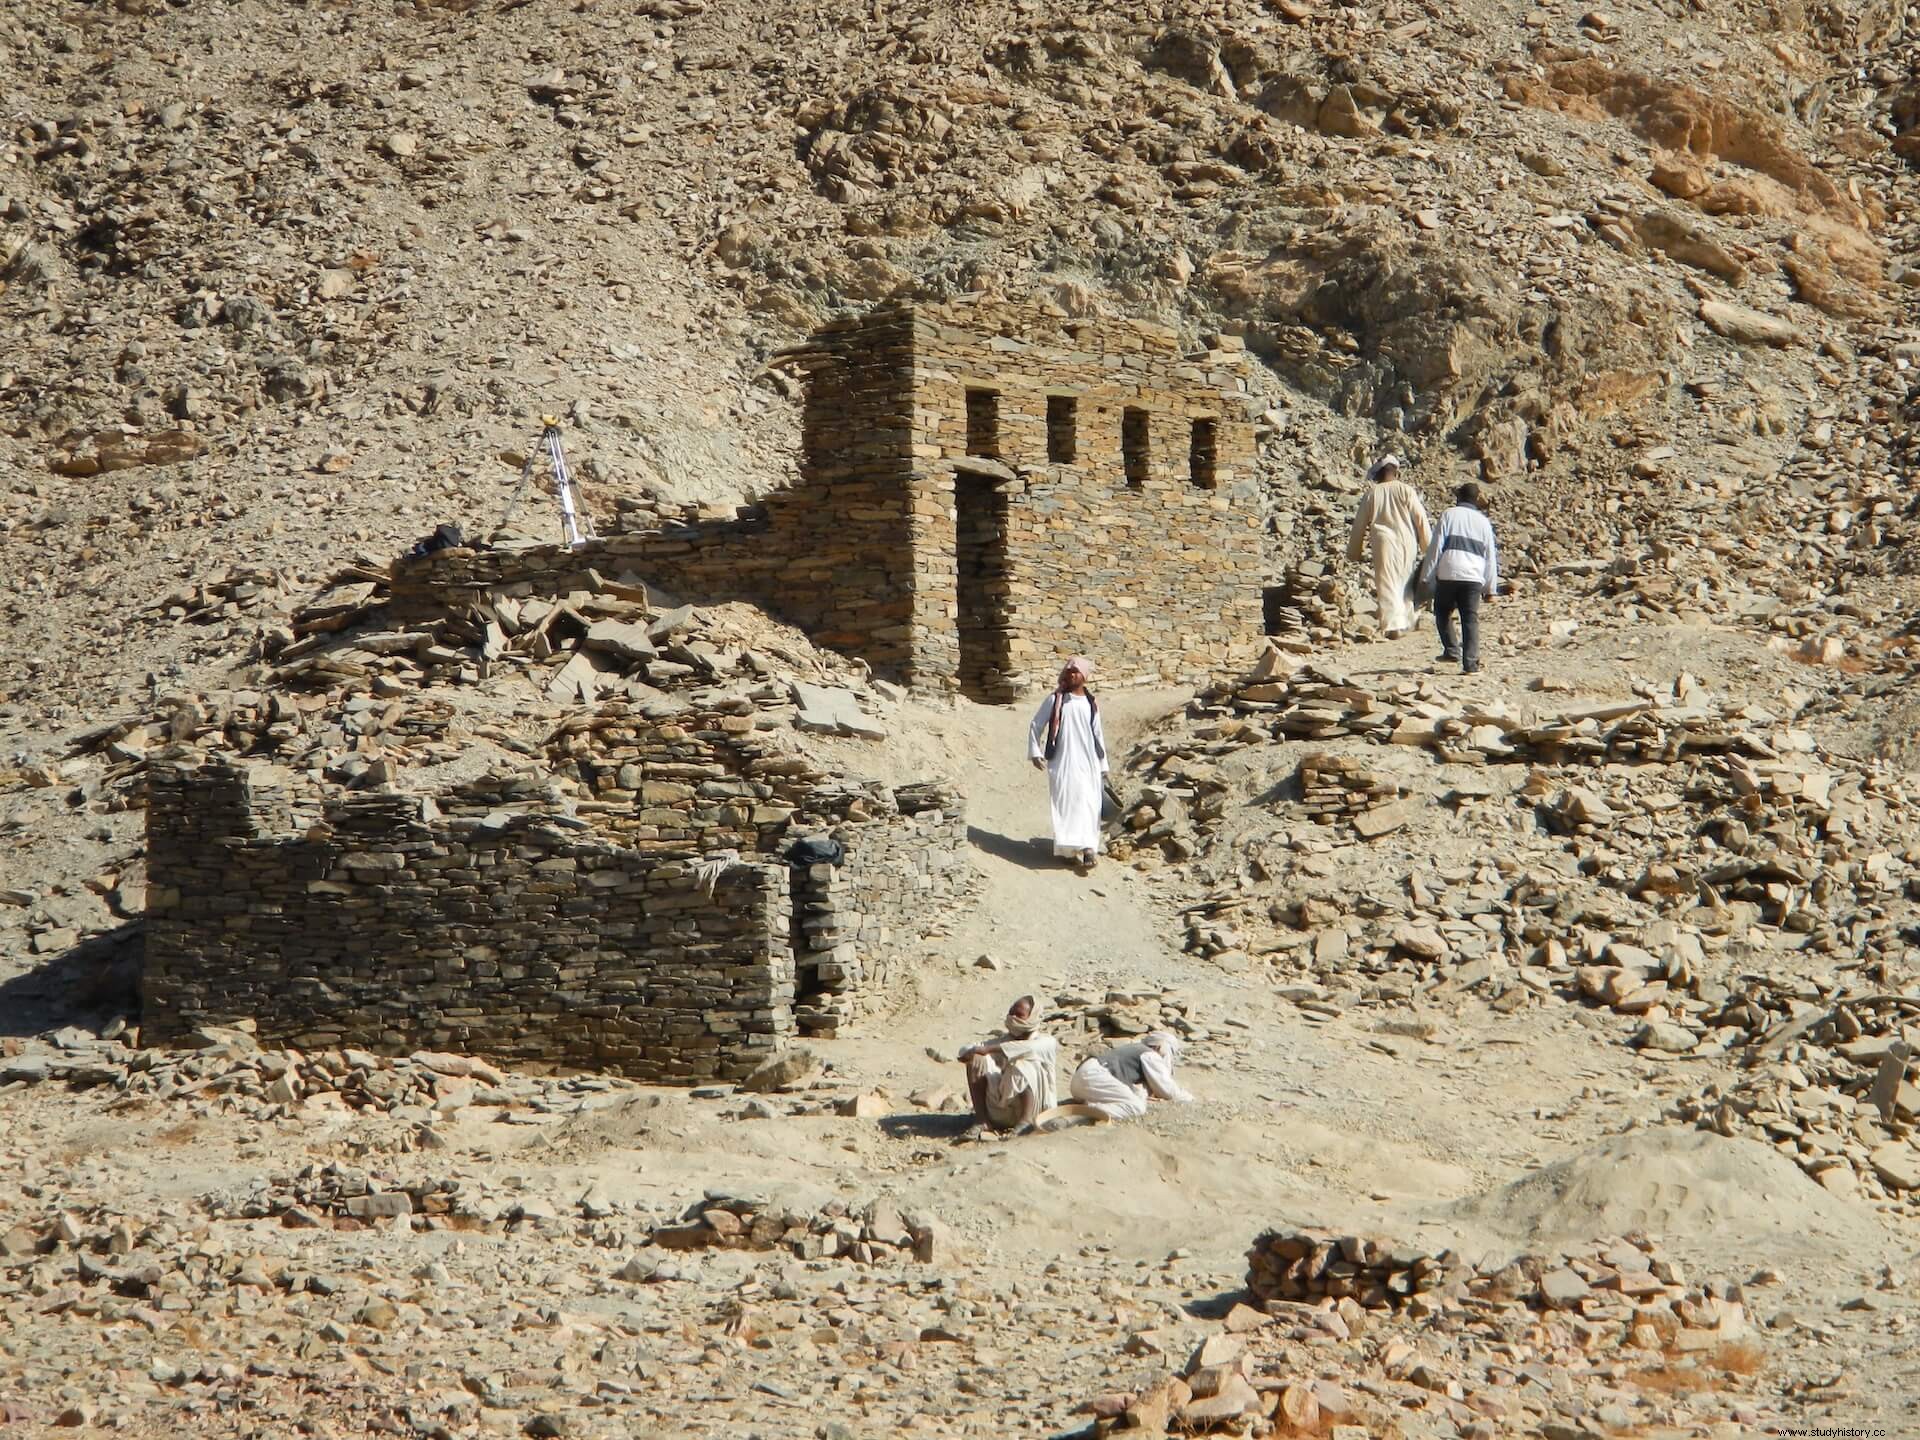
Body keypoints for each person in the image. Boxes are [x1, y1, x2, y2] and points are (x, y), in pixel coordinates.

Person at [1028, 656, 1108, 870]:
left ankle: (1089, 849)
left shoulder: (1091, 702)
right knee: (1067, 803)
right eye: (1069, 671)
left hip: (1089, 761)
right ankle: (1068, 849)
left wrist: (1103, 765)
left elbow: (1098, 735)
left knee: (1090, 804)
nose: (1073, 675)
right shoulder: (1055, 700)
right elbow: (1036, 724)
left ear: (1085, 676)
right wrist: (1035, 752)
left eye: (1077, 672)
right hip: (1063, 761)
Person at [1344, 454, 1431, 639]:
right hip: (1407, 541)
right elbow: (1420, 518)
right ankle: (1407, 620)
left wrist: (1354, 552)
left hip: (1383, 542)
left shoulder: (1372, 494)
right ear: (1395, 471)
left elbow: (1359, 525)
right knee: (1405, 579)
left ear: (1379, 473)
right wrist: (1428, 546)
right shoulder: (1406, 490)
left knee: (1387, 582)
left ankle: (1393, 625)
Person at [1418, 481, 1500, 674]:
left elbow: (1435, 547)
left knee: (1442, 610)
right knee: (1470, 619)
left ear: (1459, 497)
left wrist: (1426, 575)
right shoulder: (1484, 522)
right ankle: (1470, 664)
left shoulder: (1449, 514)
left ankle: (1452, 649)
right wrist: (1490, 589)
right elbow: (1490, 557)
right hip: (1473, 576)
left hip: (1449, 571)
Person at [958, 995, 1059, 1133]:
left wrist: (989, 1049)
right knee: (977, 1058)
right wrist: (971, 1052)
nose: (1012, 1018)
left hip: (1037, 1110)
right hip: (1000, 1109)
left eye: (1019, 1015)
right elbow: (969, 1049)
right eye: (1011, 1013)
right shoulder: (1005, 1040)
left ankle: (1025, 1121)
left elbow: (1027, 1048)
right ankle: (982, 1120)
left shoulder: (1046, 1042)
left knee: (1024, 1063)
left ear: (1032, 1018)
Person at [1065, 1031, 1194, 1121]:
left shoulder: (1135, 1050)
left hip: (1081, 1081)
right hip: (1094, 1076)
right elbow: (1168, 1090)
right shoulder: (1149, 1054)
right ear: (1160, 1047)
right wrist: (1189, 1098)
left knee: (1131, 1100)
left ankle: (1086, 1106)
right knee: (1136, 1107)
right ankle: (1085, 1111)